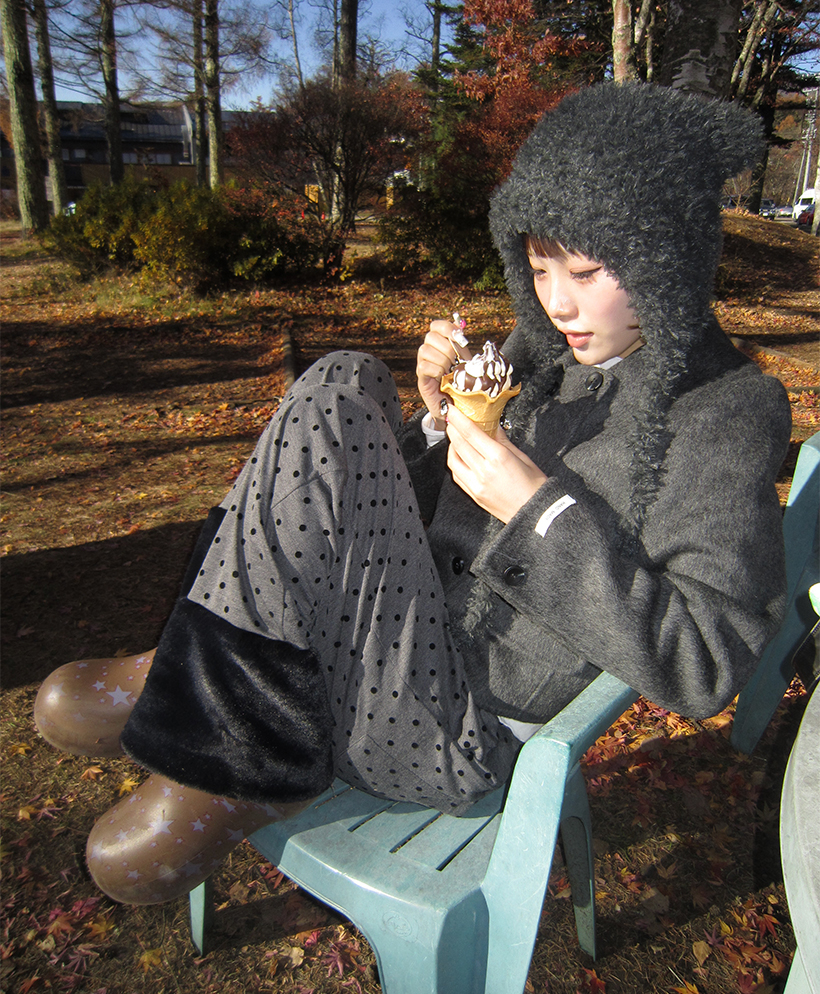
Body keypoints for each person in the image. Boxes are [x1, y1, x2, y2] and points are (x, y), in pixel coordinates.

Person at [34, 82, 791, 906]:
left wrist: (537, 512)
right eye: (539, 268)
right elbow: (390, 506)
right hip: (387, 634)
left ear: (667, 253)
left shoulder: (724, 412)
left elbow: (706, 661)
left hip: (458, 726)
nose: (557, 301)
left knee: (337, 391)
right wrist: (436, 422)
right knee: (346, 377)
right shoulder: (537, 351)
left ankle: (241, 750)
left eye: (586, 270)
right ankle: (198, 667)